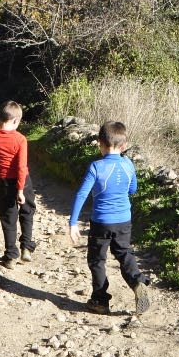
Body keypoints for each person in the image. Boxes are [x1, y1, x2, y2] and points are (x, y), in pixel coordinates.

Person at [68, 121, 151, 315]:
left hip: (101, 222)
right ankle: (137, 281)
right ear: (123, 145)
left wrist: (73, 223)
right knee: (124, 253)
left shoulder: (96, 167)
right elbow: (133, 189)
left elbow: (81, 195)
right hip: (123, 220)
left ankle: (100, 300)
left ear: (100, 143)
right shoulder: (128, 163)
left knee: (97, 260)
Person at [0, 100, 36, 269]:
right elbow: (22, 166)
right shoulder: (21, 139)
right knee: (27, 212)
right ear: (16, 121)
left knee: (8, 217)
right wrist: (21, 190)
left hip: (4, 181)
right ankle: (26, 248)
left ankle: (10, 256)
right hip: (23, 182)